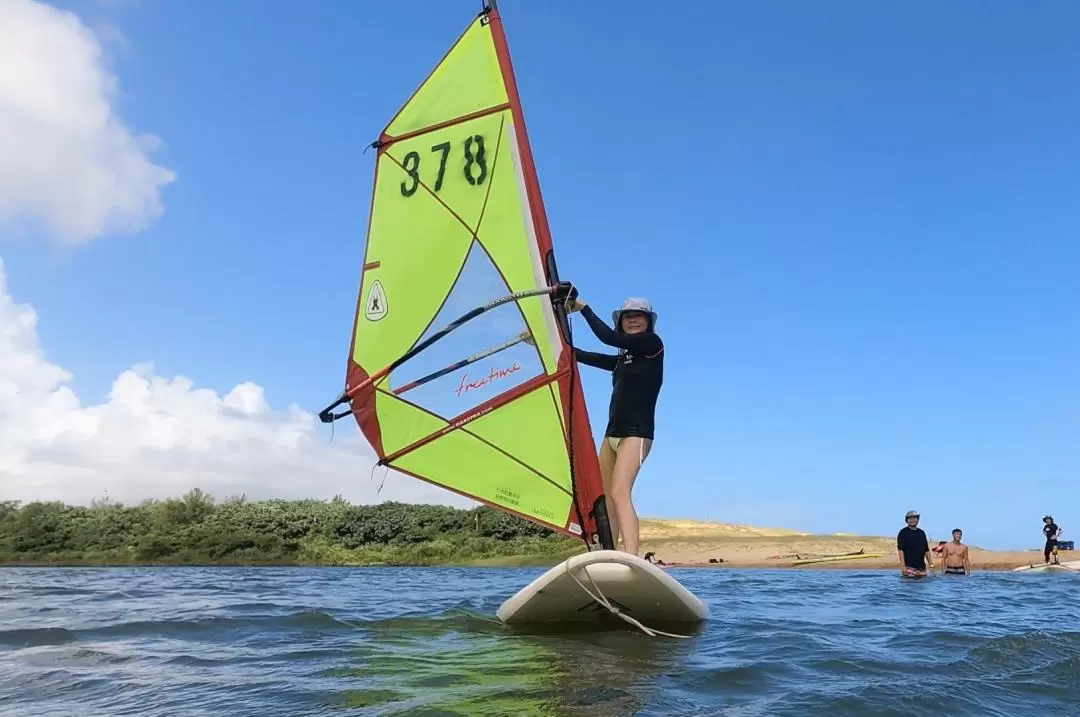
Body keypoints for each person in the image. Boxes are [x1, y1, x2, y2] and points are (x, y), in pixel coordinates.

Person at [565, 295, 664, 557]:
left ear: (648, 323)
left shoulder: (652, 345)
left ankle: (631, 558)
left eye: (638, 316)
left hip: (637, 434)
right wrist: (547, 344)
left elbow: (609, 339)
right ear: (621, 322)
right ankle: (610, 555)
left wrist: (583, 308)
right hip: (611, 435)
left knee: (620, 492)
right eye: (627, 316)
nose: (632, 319)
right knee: (605, 498)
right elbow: (585, 356)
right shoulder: (622, 360)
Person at [896, 510, 934, 576]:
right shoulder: (903, 532)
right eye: (910, 518)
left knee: (922, 585)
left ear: (918, 519)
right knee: (909, 585)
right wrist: (903, 567)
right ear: (907, 520)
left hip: (922, 569)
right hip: (909, 569)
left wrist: (931, 565)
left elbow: (926, 550)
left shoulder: (921, 533)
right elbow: (900, 550)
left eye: (914, 518)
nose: (912, 520)